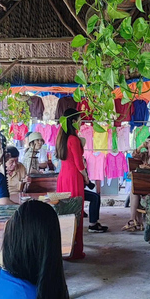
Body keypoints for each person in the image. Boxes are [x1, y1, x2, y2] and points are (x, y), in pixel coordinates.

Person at [56, 108, 88, 259]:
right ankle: (75, 251)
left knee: (64, 213)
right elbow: (79, 164)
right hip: (74, 178)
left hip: (63, 177)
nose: (81, 123)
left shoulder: (61, 137)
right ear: (74, 121)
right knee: (76, 213)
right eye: (80, 120)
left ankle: (63, 248)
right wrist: (86, 178)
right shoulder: (73, 139)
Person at [78, 137, 108, 233]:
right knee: (95, 197)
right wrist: (86, 179)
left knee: (95, 196)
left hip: (78, 186)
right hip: (75, 188)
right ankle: (93, 224)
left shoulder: (81, 158)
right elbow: (84, 177)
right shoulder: (79, 159)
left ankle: (94, 223)